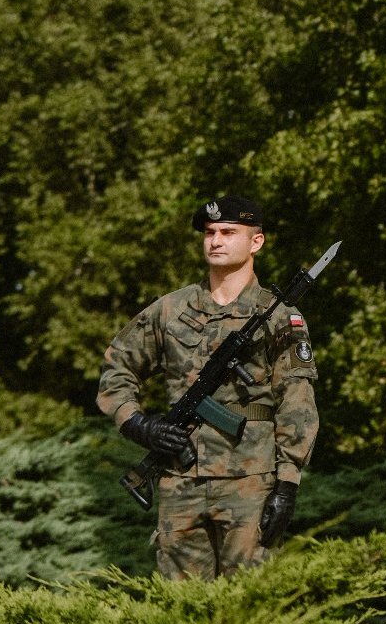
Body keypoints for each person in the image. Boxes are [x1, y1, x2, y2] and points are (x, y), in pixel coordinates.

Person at [97, 196, 319, 579]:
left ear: (256, 242)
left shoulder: (279, 316)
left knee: (249, 610)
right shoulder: (171, 310)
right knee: (180, 614)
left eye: (228, 232)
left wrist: (287, 483)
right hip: (179, 481)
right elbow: (117, 367)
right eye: (210, 232)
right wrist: (137, 425)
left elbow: (296, 402)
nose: (215, 240)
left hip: (250, 483)